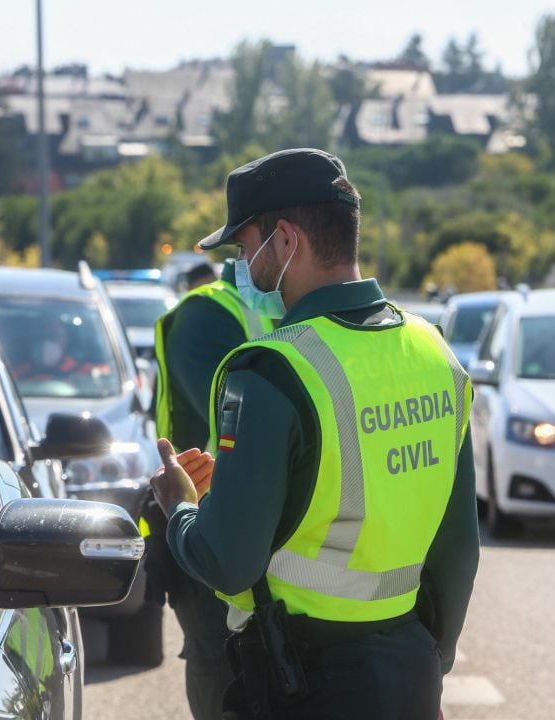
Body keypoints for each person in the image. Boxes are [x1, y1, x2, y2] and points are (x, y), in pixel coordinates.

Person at [150, 148, 480, 719]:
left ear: (285, 240)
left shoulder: (272, 372)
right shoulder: (435, 353)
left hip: (301, 679)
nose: (242, 266)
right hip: (409, 672)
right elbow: (458, 548)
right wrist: (432, 655)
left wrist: (180, 508)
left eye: (245, 246)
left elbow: (229, 562)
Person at [148, 253, 275, 718]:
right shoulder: (207, 314)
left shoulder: (295, 310)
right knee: (225, 676)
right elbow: (252, 430)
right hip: (209, 528)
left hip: (269, 533)